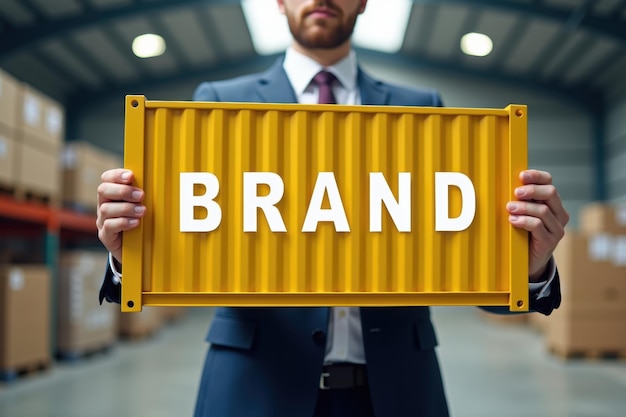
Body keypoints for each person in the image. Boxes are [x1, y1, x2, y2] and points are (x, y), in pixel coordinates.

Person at [97, 1, 569, 416]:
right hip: (256, 390)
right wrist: (128, 255)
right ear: (279, 2)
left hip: (395, 395)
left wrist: (530, 267)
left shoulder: (423, 112)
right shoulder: (219, 105)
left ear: (364, 2)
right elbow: (184, 256)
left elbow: (467, 271)